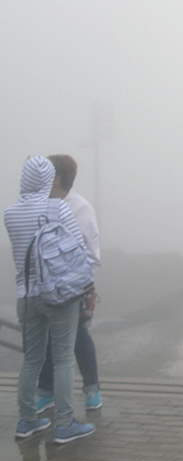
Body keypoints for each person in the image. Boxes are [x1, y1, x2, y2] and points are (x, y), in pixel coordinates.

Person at [5, 156, 96, 443]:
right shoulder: (57, 208)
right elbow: (77, 250)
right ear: (49, 179)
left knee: (31, 360)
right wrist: (88, 291)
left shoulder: (10, 213)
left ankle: (27, 421)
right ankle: (65, 424)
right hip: (58, 295)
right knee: (62, 360)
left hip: (26, 295)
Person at [36, 154, 103, 412]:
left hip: (74, 286)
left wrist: (75, 281)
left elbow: (92, 252)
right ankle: (46, 391)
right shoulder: (40, 204)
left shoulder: (81, 208)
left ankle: (91, 389)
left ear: (56, 178)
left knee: (78, 336)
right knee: (47, 337)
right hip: (45, 286)